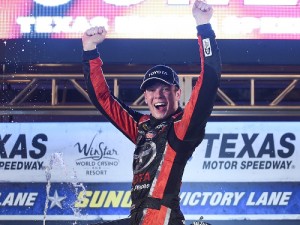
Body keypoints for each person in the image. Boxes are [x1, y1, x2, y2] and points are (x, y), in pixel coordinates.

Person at [82, 0, 221, 224]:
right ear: (145, 97)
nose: (158, 95)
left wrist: (203, 27)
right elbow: (103, 100)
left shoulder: (183, 127)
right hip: (136, 218)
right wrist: (89, 51)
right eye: (152, 90)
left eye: (165, 89)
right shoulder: (141, 125)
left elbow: (209, 79)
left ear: (177, 93)